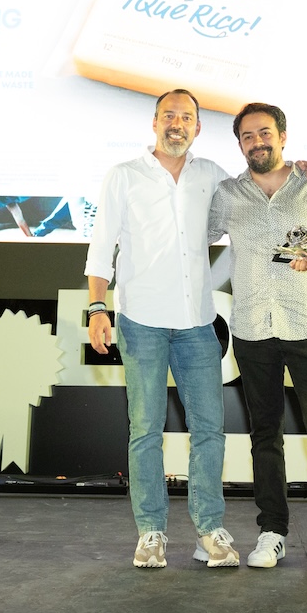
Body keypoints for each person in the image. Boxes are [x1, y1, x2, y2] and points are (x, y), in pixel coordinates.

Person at [208, 102, 307, 572]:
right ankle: (272, 532)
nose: (257, 142)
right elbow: (193, 237)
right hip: (252, 329)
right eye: (247, 136)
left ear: (282, 136)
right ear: (240, 144)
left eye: (264, 133)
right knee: (265, 434)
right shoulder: (227, 194)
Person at [85, 89, 240, 569]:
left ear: (198, 127)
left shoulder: (212, 175)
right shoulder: (124, 175)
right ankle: (150, 532)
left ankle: (209, 531)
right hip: (141, 322)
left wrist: (297, 174)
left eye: (186, 117)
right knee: (146, 432)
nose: (177, 123)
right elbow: (101, 246)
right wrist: (96, 307)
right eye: (169, 115)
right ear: (154, 123)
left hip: (197, 323)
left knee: (209, 431)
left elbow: (256, 199)